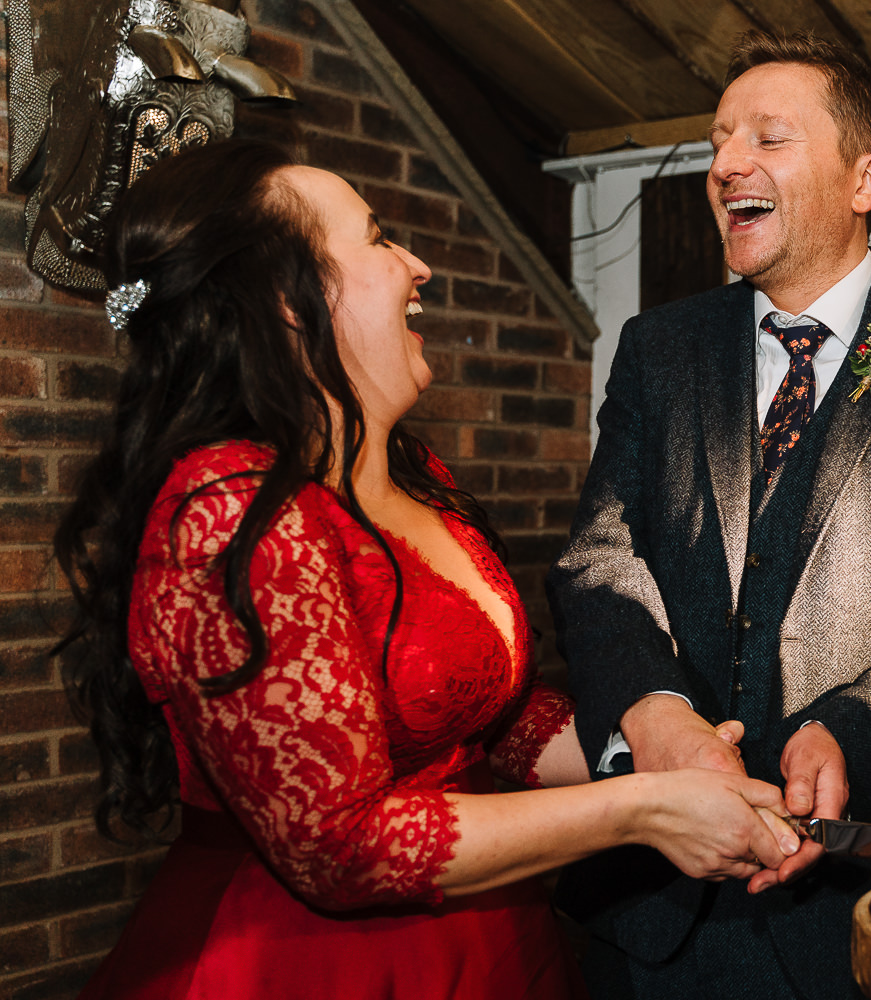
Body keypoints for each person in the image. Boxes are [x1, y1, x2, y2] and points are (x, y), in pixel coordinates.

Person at [53, 139, 800, 1000]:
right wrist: (642, 812)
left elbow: (498, 720)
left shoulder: (414, 470)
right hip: (309, 962)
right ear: (289, 302)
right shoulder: (229, 509)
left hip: (491, 934)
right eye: (376, 240)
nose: (417, 267)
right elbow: (341, 848)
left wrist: (659, 759)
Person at [548, 30, 871, 1000]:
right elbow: (598, 557)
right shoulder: (658, 347)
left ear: (867, 178)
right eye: (719, 140)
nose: (727, 163)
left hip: (869, 901)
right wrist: (653, 716)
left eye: (768, 139)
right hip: (650, 907)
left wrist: (859, 732)